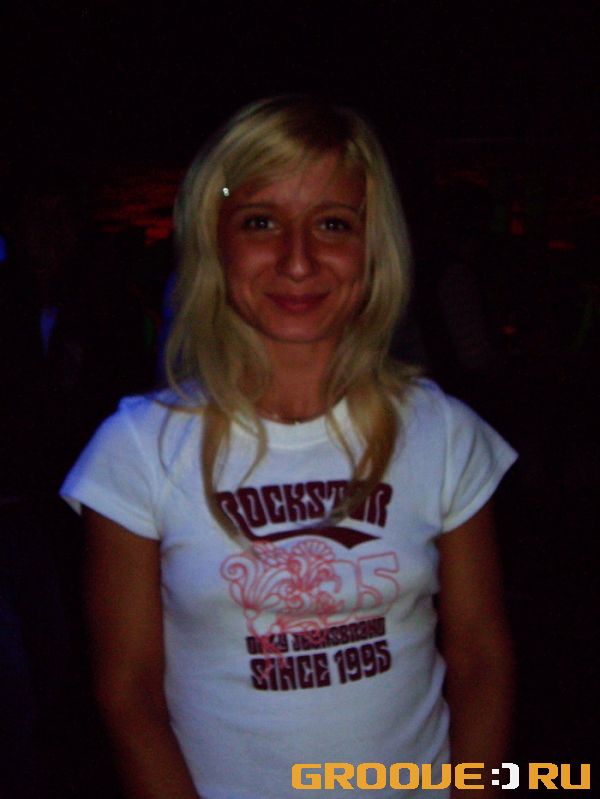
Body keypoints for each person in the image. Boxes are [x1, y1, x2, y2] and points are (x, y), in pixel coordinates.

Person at [61, 96, 517, 799]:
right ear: (216, 242)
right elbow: (130, 693)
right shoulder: (137, 449)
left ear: (372, 247)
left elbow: (481, 655)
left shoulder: (444, 432)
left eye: (332, 224)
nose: (298, 260)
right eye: (261, 221)